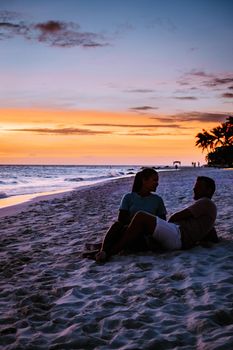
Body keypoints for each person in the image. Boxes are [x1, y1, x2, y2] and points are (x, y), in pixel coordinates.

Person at [111, 176, 218, 255]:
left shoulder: (205, 202)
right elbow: (210, 230)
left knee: (141, 216)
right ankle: (106, 248)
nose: (194, 189)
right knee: (132, 232)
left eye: (198, 187)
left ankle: (112, 251)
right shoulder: (208, 207)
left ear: (208, 190)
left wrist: (165, 225)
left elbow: (175, 217)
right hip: (178, 238)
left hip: (178, 235)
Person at [92, 168, 167, 262]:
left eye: (157, 180)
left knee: (124, 237)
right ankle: (103, 251)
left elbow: (162, 222)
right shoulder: (128, 197)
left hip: (145, 237)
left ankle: (104, 251)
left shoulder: (157, 200)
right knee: (116, 225)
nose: (157, 183)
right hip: (128, 231)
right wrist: (134, 224)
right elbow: (121, 220)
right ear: (144, 180)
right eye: (154, 180)